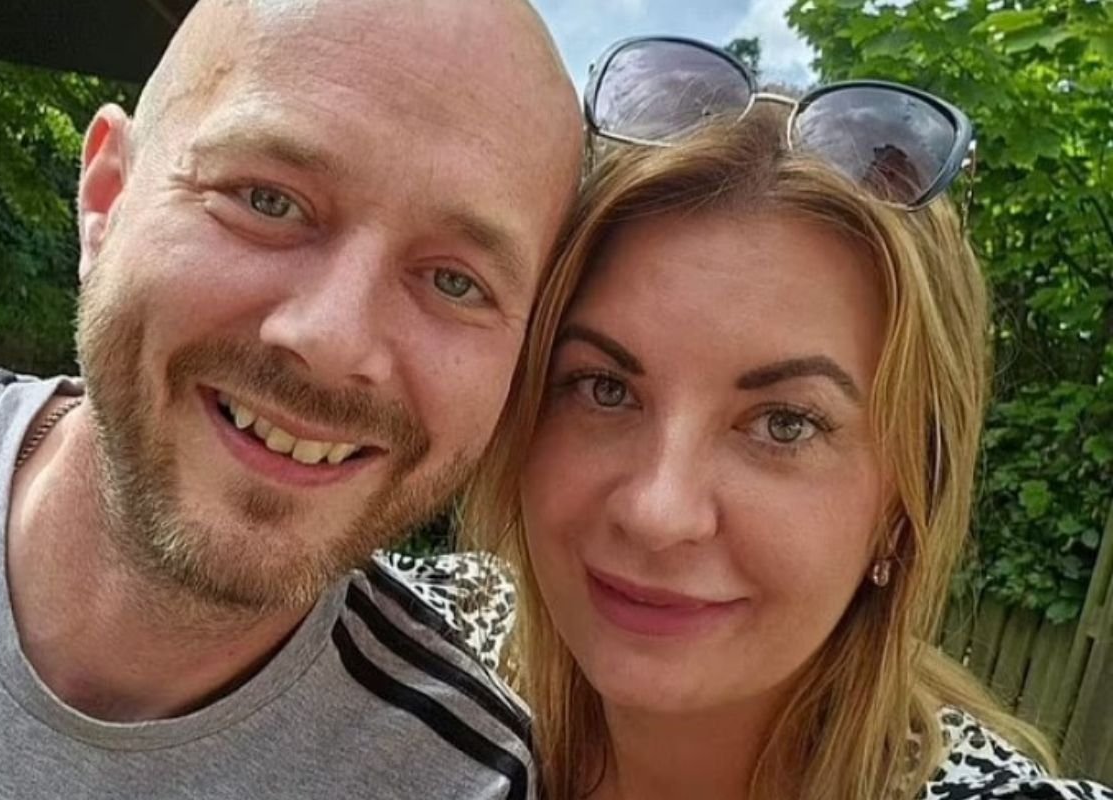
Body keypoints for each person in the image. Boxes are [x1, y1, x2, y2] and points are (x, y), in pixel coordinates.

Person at [0, 1, 582, 797]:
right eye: (268, 200)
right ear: (107, 198)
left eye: (454, 281)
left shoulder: (462, 779)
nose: (334, 340)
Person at [464, 36, 1113, 800]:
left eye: (785, 424)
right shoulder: (425, 655)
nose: (658, 512)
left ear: (902, 504)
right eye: (605, 389)